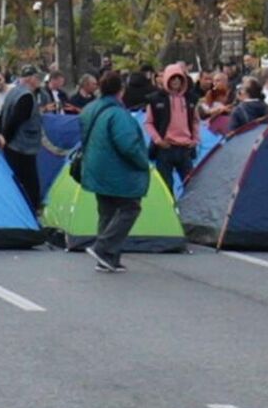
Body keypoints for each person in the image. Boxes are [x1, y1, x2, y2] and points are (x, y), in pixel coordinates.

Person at [77, 72, 150, 273]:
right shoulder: (118, 114)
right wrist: (143, 162)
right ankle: (104, 247)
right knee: (130, 208)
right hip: (116, 169)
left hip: (95, 167)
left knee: (107, 210)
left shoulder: (90, 109)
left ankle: (108, 259)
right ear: (121, 90)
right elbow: (128, 144)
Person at [145, 64, 200, 192]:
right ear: (167, 79)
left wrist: (195, 139)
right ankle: (171, 210)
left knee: (191, 185)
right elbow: (148, 122)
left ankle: (190, 211)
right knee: (166, 187)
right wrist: (158, 140)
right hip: (165, 148)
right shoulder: (155, 99)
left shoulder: (191, 99)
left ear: (183, 80)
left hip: (185, 148)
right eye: (172, 78)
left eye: (178, 78)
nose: (175, 81)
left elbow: (196, 121)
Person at [0, 67, 45, 213]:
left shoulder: (13, 92)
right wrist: (5, 137)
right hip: (23, 145)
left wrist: (1, 134)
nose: (39, 82)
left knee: (16, 179)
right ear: (30, 78)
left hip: (12, 144)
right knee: (30, 181)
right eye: (37, 78)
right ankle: (32, 210)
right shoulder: (26, 96)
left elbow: (2, 116)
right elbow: (16, 120)